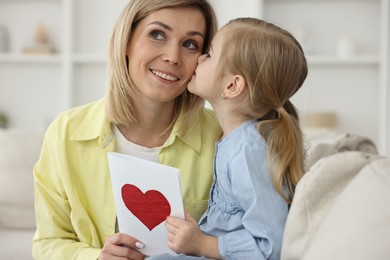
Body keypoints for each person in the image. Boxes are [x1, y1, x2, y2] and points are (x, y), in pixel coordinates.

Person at [32, 0, 221, 259]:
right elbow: (47, 242)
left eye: (190, 44)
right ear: (126, 41)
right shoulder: (65, 133)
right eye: (157, 35)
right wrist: (96, 257)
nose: (172, 57)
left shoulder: (222, 137)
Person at [149, 17, 308, 259]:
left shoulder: (248, 149)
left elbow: (270, 245)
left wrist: (201, 244)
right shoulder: (235, 140)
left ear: (233, 86)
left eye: (210, 55)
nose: (200, 58)